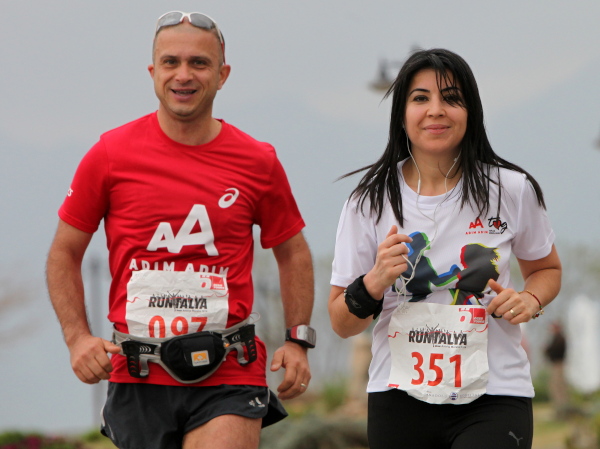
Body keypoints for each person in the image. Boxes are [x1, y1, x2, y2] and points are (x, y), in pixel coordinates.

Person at [46, 11, 315, 449]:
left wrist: (298, 339)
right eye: (171, 62)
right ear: (153, 72)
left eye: (199, 63)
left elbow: (293, 252)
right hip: (139, 371)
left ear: (222, 75)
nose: (183, 75)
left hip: (230, 369)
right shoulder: (110, 154)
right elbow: (64, 253)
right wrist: (77, 338)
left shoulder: (257, 161)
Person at [328, 48, 561, 449]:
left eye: (451, 98)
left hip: (494, 393)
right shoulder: (368, 201)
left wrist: (530, 299)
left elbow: (547, 270)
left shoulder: (512, 190)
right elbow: (341, 323)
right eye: (420, 98)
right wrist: (373, 282)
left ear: (471, 112)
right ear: (402, 114)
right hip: (398, 396)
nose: (436, 110)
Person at [544, 321, 568, 417]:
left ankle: (562, 408)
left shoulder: (560, 339)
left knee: (558, 386)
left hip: (558, 364)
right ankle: (559, 407)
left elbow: (554, 351)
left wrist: (547, 350)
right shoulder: (557, 338)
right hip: (555, 364)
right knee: (556, 386)